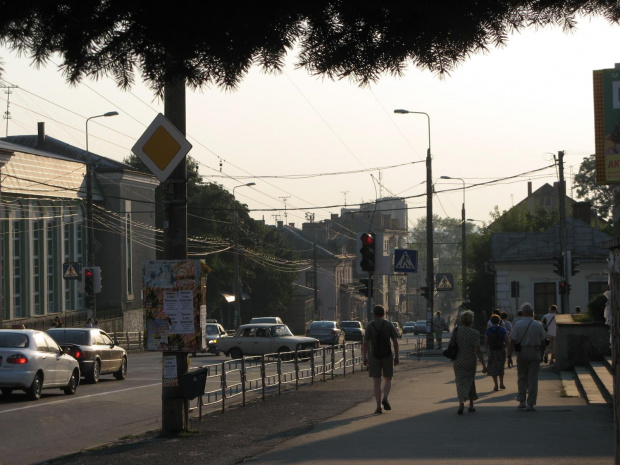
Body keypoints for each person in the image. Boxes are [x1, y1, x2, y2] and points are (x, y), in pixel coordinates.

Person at [507, 302, 548, 411]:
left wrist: (509, 356)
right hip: (535, 352)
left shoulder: (518, 324)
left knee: (521, 377)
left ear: (523, 313)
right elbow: (544, 341)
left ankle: (522, 401)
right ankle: (531, 403)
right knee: (533, 378)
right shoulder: (537, 324)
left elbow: (512, 341)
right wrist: (542, 354)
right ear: (532, 313)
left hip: (522, 353)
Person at [362, 305, 400, 414]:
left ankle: (378, 405)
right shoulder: (388, 325)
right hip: (387, 355)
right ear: (384, 314)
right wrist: (396, 356)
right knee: (388, 378)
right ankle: (386, 397)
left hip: (374, 356)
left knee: (376, 381)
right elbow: (395, 341)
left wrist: (364, 357)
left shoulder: (370, 326)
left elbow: (365, 343)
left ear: (374, 314)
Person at [452, 310, 487, 415]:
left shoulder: (456, 331)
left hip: (458, 360)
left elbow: (453, 346)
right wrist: (484, 365)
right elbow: (477, 350)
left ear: (461, 321)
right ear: (471, 321)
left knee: (460, 381)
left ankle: (461, 402)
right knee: (470, 381)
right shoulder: (475, 333)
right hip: (470, 360)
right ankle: (471, 405)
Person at [485, 314, 509, 391]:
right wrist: (508, 350)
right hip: (501, 350)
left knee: (493, 367)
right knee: (501, 366)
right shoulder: (502, 329)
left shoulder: (488, 330)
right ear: (499, 321)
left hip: (492, 350)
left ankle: (496, 384)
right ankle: (501, 383)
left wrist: (487, 350)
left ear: (491, 321)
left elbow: (486, 341)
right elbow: (507, 340)